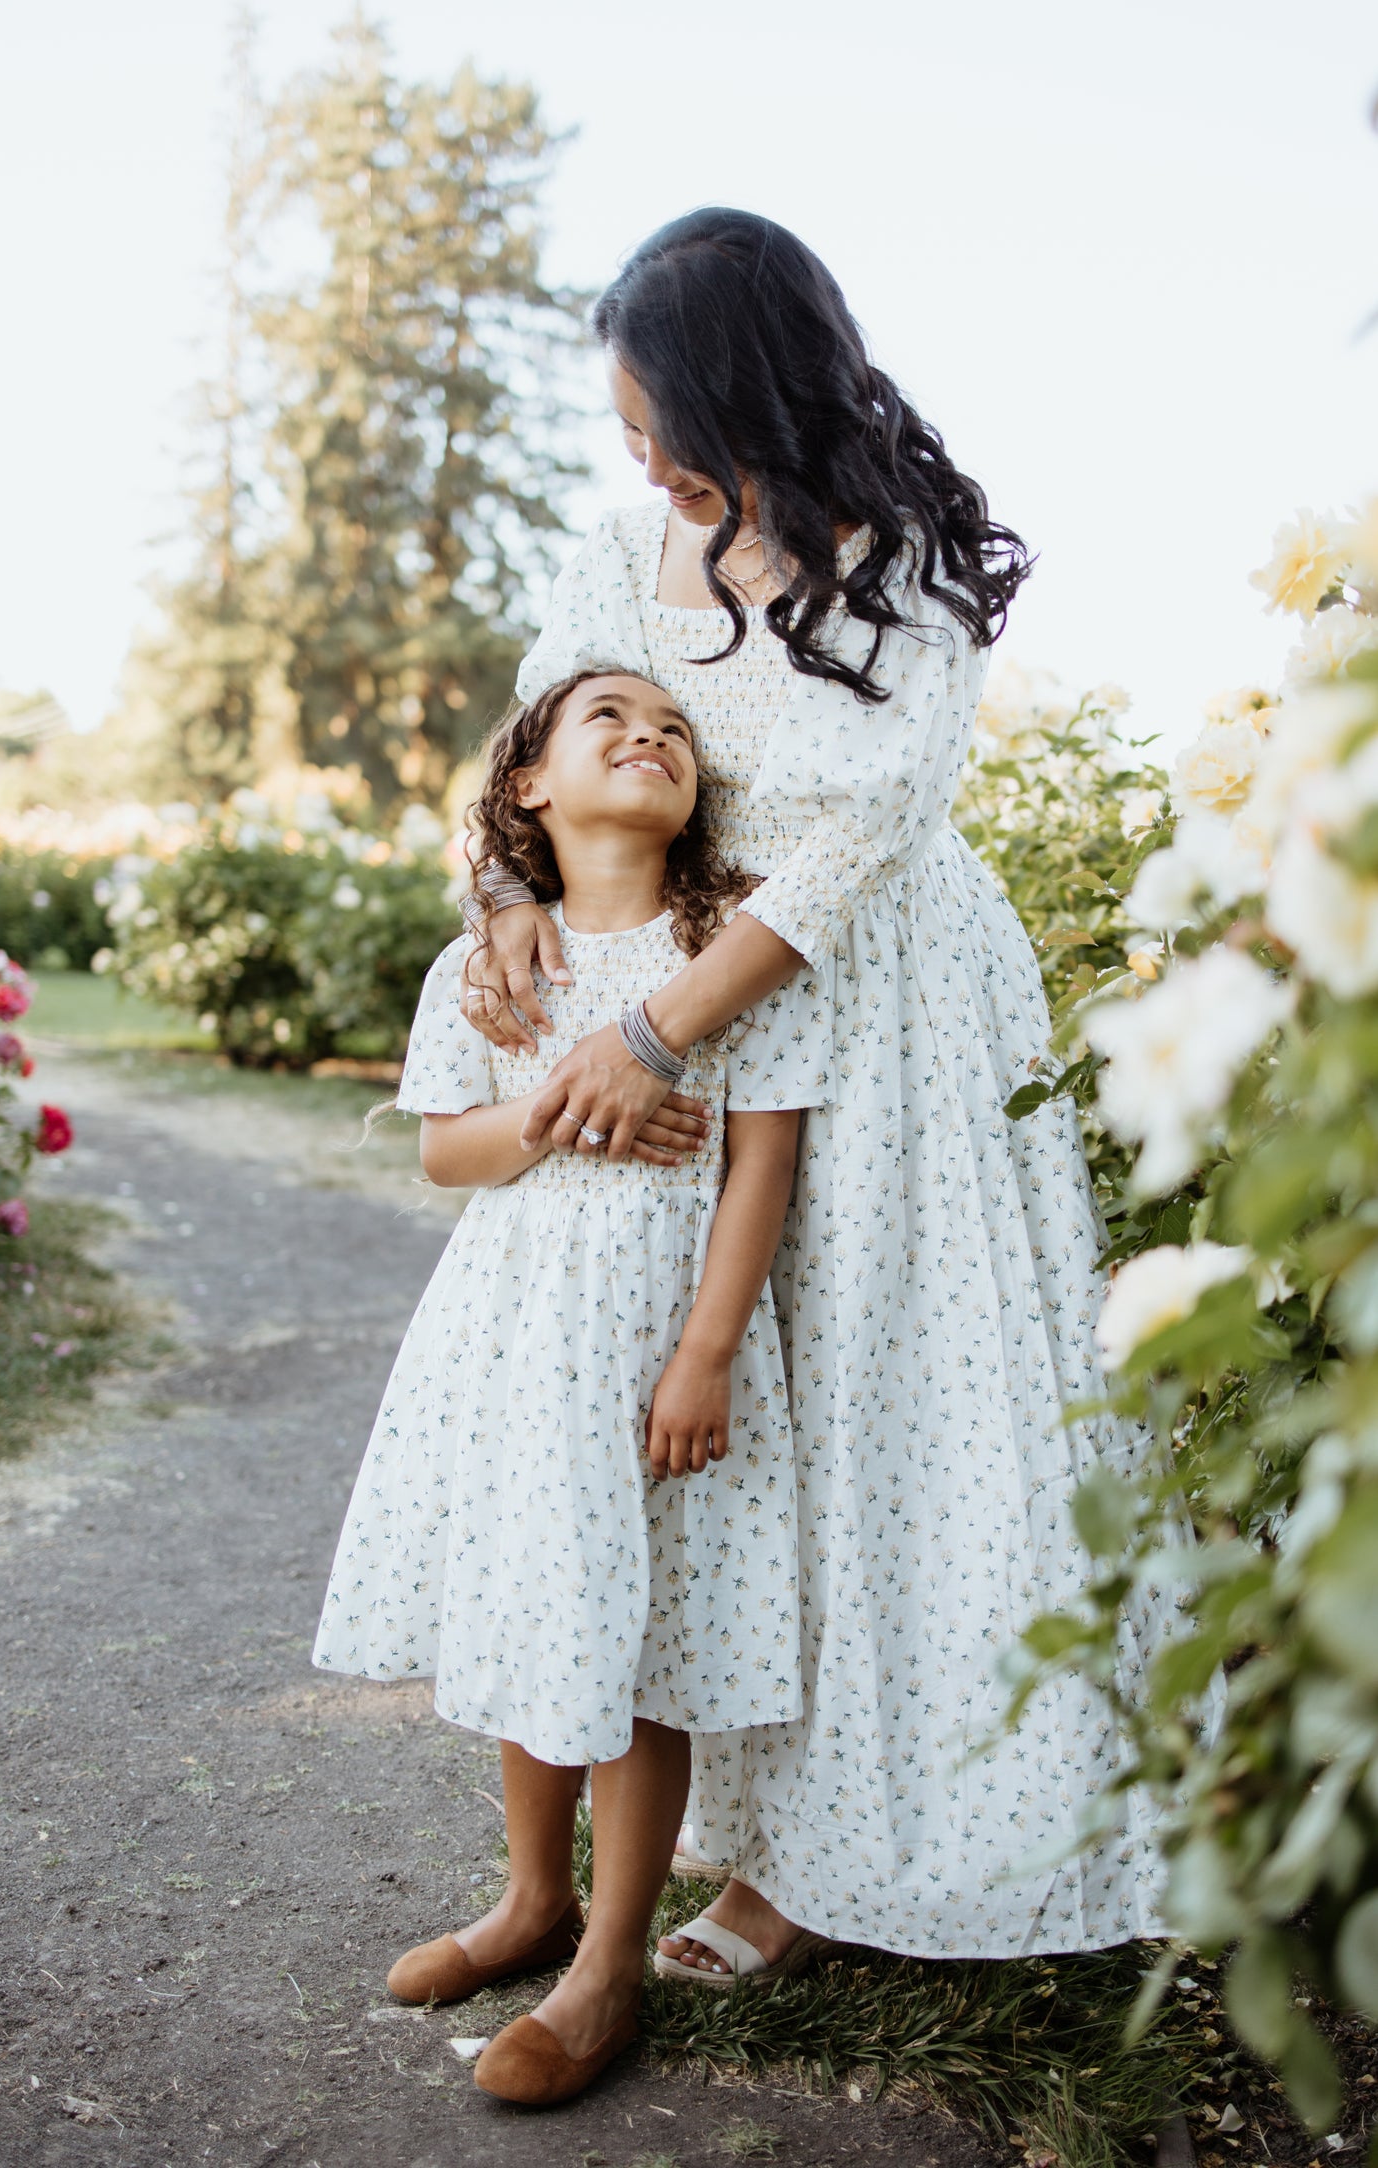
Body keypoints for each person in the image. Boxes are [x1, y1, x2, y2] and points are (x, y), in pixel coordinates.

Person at [462, 208, 1189, 1985]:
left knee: (886, 1404)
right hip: (684, 992)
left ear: (760, 397)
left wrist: (655, 1040)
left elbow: (848, 853)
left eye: (668, 434)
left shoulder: (915, 570)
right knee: (712, 1413)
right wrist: (498, 909)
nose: (644, 468)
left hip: (882, 1012)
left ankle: (842, 1858)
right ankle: (729, 1830)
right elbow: (525, 748)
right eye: (627, 437)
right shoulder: (620, 554)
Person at [313, 668, 829, 2103]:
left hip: (660, 1345)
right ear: (529, 784)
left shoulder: (726, 948)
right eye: (607, 717)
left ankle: (608, 1960)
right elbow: (445, 1155)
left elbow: (762, 1164)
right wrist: (566, 1110)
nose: (647, 734)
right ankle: (528, 1901)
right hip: (519, 1348)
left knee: (641, 1639)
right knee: (539, 1600)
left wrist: (707, 1352)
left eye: (670, 726)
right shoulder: (490, 965)